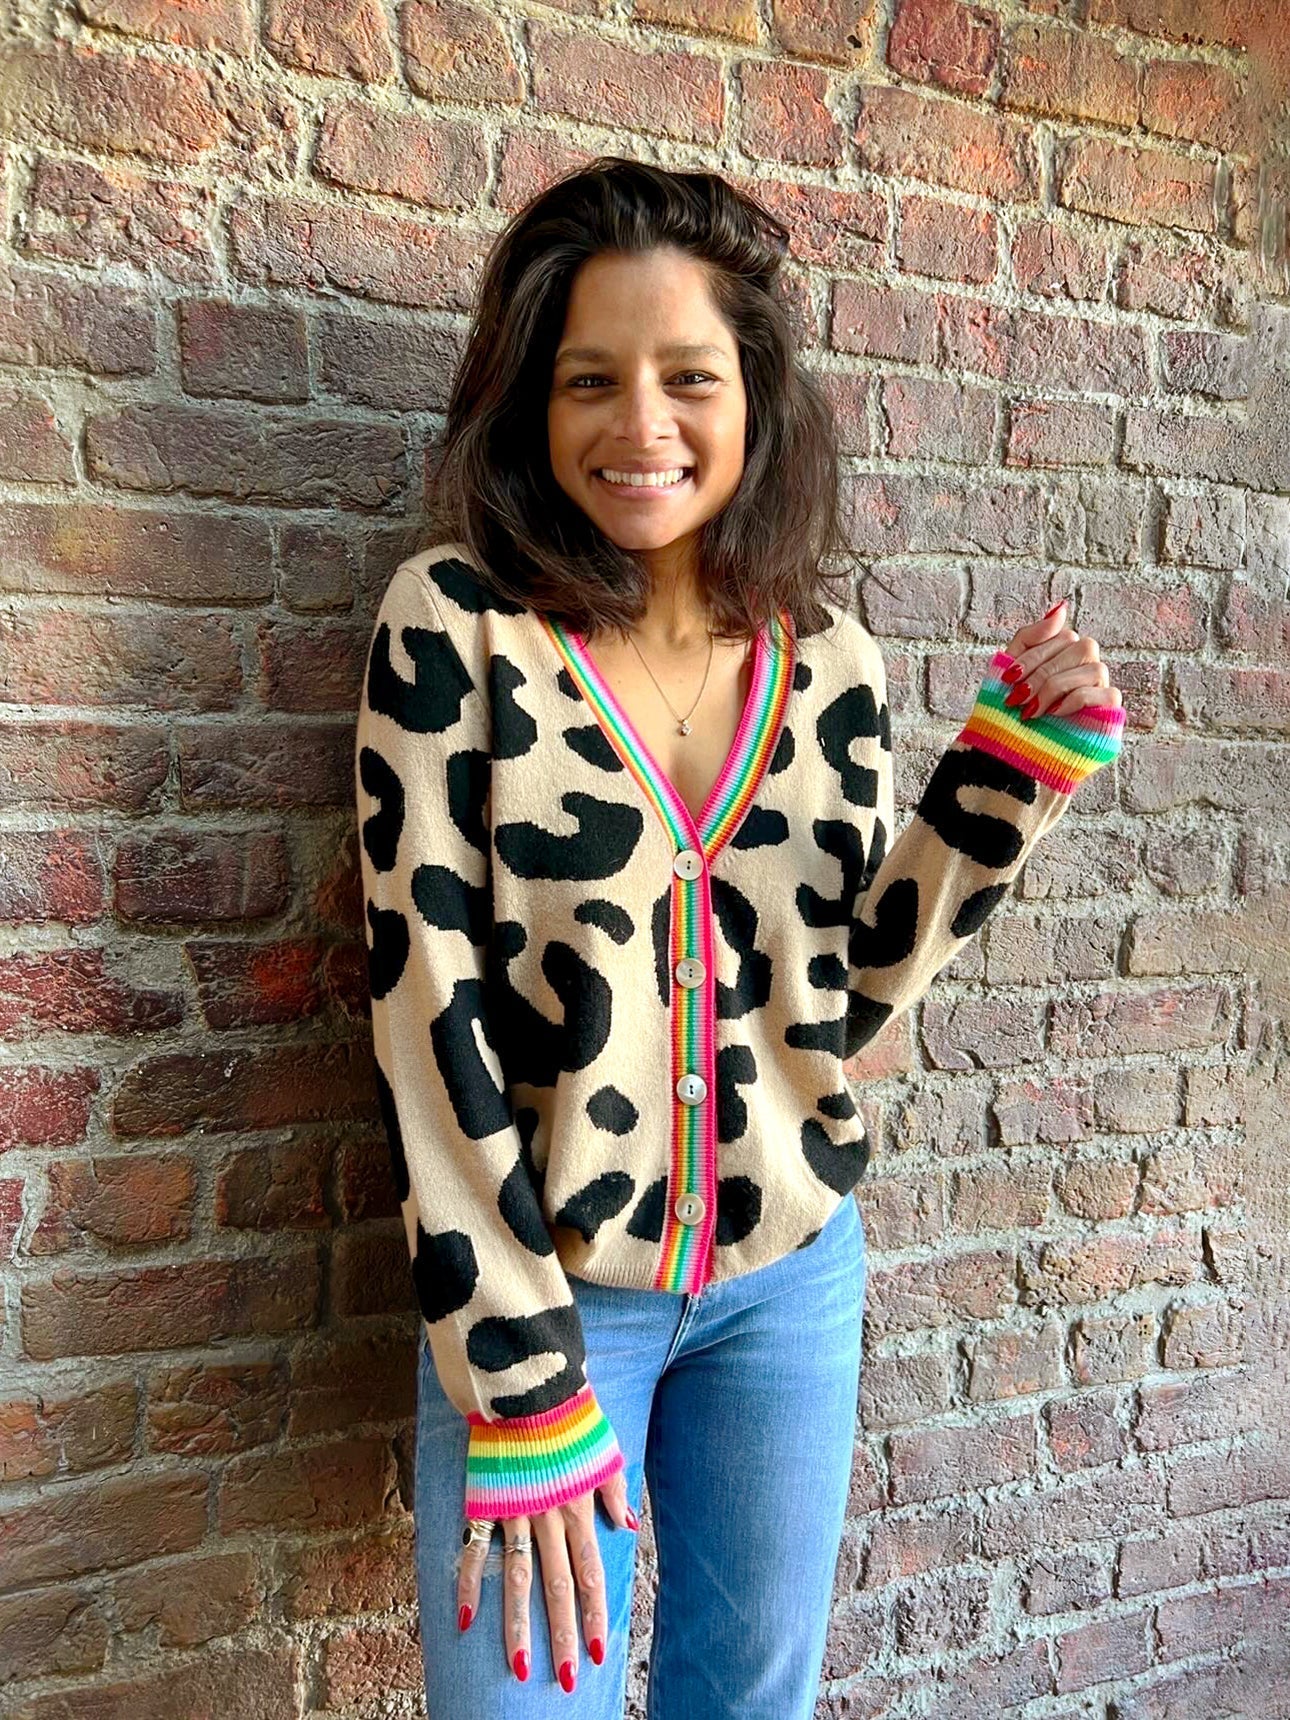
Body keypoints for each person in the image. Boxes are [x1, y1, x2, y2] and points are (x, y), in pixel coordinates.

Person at [353, 156, 1125, 1718]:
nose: (639, 423)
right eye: (589, 380)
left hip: (789, 1278)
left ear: (754, 399)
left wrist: (1002, 782)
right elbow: (425, 1017)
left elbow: (833, 997)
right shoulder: (458, 626)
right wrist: (520, 1376)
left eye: (687, 377)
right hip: (558, 1299)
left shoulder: (827, 660)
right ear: (532, 405)